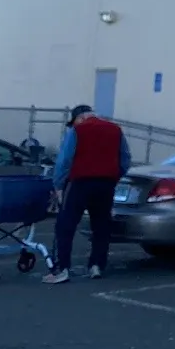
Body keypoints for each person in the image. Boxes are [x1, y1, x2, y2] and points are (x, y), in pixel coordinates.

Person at [44, 104, 132, 284]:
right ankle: (96, 265)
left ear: (80, 118)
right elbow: (125, 159)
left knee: (65, 225)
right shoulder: (115, 130)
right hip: (106, 184)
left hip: (80, 183)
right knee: (101, 225)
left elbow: (65, 160)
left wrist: (58, 185)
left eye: (74, 121)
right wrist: (114, 176)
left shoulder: (78, 131)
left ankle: (63, 269)